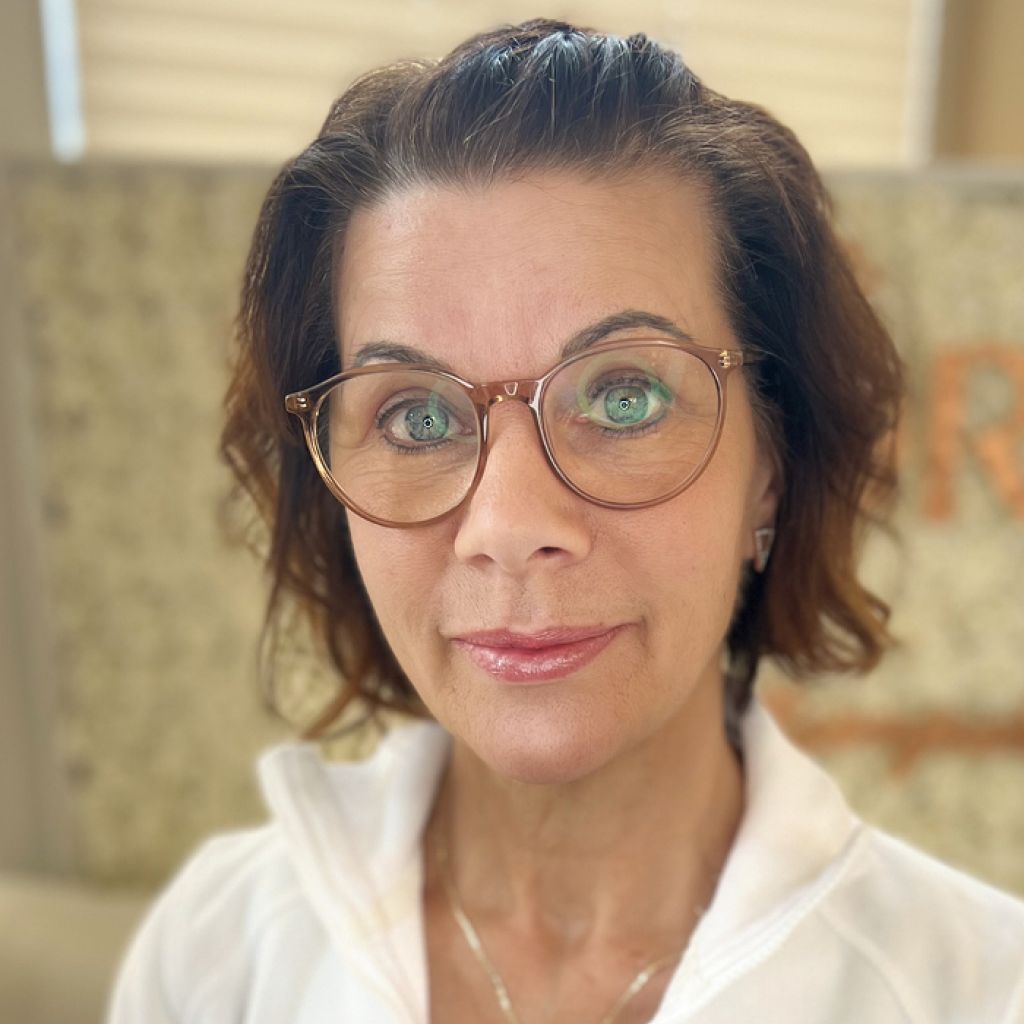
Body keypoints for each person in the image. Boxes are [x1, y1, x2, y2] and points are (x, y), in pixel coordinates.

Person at [108, 19, 1024, 1024]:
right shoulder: (213, 957)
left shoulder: (982, 990)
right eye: (416, 418)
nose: (507, 524)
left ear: (769, 467)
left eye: (625, 397)